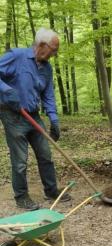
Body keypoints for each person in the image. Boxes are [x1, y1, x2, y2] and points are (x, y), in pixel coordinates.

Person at [0, 28, 70, 211]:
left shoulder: (47, 68)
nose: (55, 54)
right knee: (20, 159)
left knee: (45, 154)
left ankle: (51, 190)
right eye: (53, 50)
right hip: (12, 114)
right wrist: (7, 91)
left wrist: (54, 119)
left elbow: (48, 95)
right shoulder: (16, 56)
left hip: (33, 115)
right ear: (41, 45)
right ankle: (22, 197)